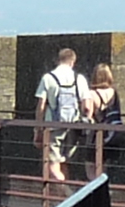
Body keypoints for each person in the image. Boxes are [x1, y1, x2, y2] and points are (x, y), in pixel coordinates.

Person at [34, 43, 91, 179]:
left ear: (58, 60)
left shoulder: (48, 78)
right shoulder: (79, 78)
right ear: (73, 61)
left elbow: (41, 106)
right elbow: (87, 106)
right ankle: (63, 197)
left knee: (51, 164)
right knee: (64, 163)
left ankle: (66, 193)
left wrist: (38, 129)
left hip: (53, 126)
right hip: (73, 126)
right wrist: (85, 123)